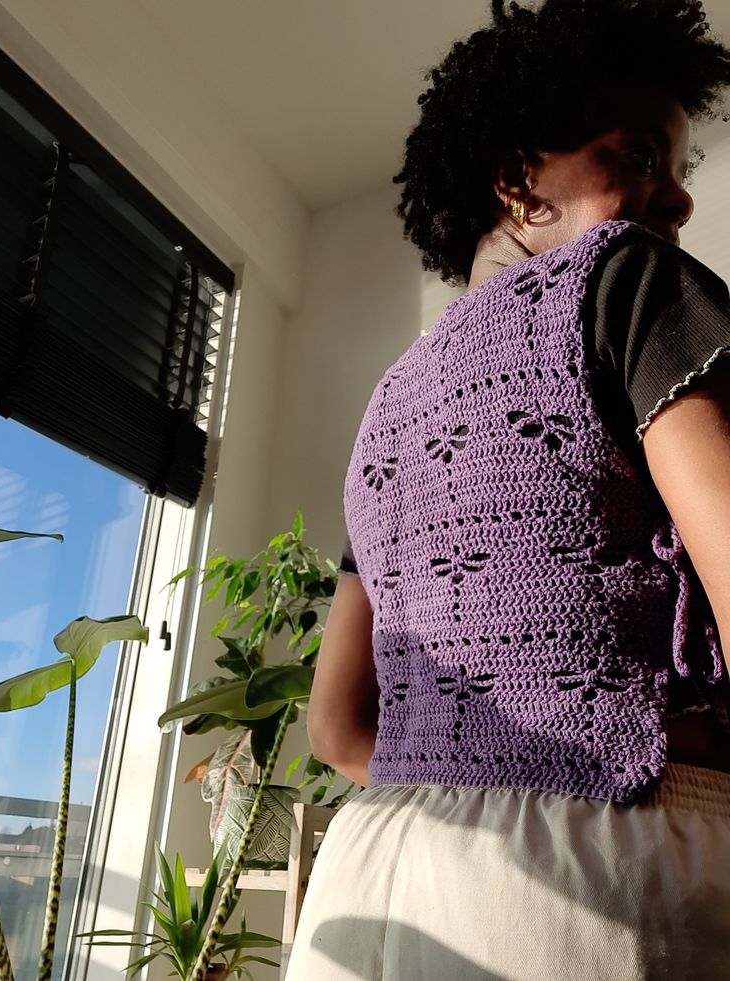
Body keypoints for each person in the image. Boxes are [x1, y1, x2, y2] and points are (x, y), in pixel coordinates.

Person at [284, 1, 730, 978]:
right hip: (611, 875)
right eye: (643, 155)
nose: (680, 202)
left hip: (372, 873)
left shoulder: (386, 408)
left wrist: (468, 792)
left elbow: (332, 726)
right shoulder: (626, 279)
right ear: (521, 177)